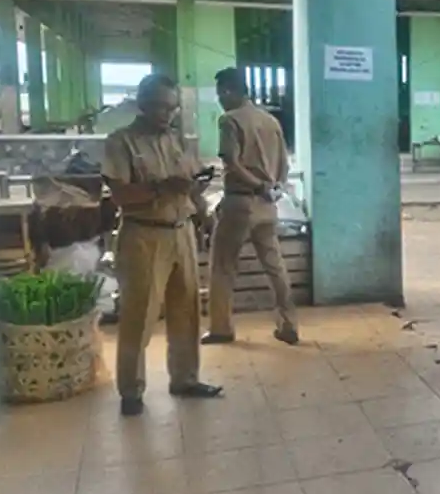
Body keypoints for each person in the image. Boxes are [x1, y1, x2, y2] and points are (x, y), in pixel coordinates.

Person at [101, 74, 223, 417]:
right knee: (139, 315)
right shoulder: (121, 142)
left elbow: (188, 188)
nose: (165, 114)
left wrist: (201, 202)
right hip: (143, 235)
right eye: (158, 106)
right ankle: (131, 390)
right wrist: (161, 188)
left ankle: (185, 378)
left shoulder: (177, 141)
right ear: (141, 103)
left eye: (171, 108)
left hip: (181, 231)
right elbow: (122, 195)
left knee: (186, 311)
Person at [202, 67, 300, 346]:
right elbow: (284, 165)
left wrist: (256, 185)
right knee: (275, 266)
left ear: (231, 90)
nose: (220, 98)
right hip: (268, 206)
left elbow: (231, 162)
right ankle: (289, 324)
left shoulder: (229, 120)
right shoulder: (270, 121)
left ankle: (221, 328)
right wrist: (272, 189)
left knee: (222, 267)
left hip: (240, 202)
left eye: (221, 92)